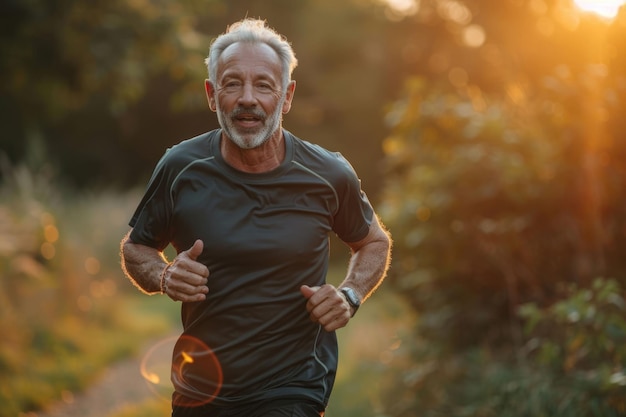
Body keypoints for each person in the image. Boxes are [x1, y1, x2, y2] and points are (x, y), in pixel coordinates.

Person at [120, 18, 392, 417]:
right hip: (200, 389)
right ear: (212, 95)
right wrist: (164, 276)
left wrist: (350, 294)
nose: (248, 98)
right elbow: (136, 247)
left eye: (264, 85)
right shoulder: (180, 167)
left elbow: (374, 241)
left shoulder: (329, 174)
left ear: (286, 97)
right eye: (232, 83)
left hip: (293, 388)